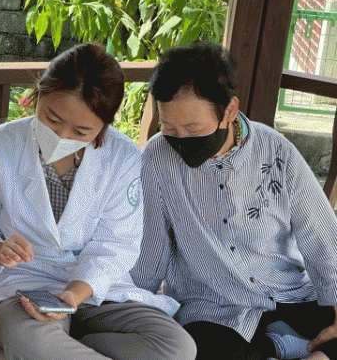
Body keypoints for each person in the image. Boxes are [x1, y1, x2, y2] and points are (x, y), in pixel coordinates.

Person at [0, 43, 196, 360]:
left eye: (82, 131)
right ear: (38, 94)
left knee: (177, 348)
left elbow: (116, 243)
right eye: (52, 119)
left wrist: (73, 295)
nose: (62, 136)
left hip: (95, 287)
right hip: (22, 286)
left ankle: (63, 348)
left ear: (104, 125)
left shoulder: (122, 156)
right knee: (36, 342)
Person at [132, 41, 337, 360]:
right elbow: (150, 250)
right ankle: (283, 347)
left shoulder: (276, 152)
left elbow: (321, 236)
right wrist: (127, 306)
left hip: (288, 294)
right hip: (213, 308)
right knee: (202, 352)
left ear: (228, 110)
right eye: (169, 127)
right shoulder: (157, 159)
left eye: (193, 128)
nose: (180, 140)